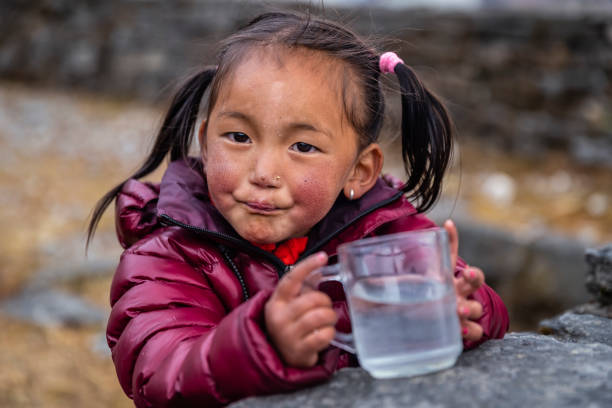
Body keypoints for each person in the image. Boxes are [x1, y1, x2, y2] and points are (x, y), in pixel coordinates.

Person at [87, 11, 509, 407]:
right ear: (205, 141)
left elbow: (486, 309)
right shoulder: (167, 255)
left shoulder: (385, 234)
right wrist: (262, 339)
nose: (264, 171)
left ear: (359, 172)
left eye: (302, 147)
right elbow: (161, 372)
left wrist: (459, 311)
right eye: (237, 136)